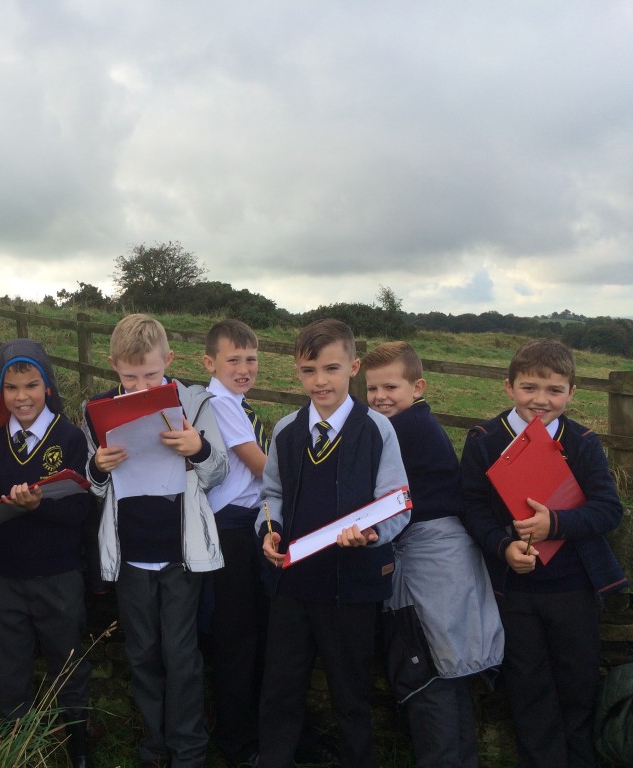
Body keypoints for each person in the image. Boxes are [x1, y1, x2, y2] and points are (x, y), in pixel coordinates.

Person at [460, 338, 628, 768]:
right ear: (509, 387)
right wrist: (503, 546)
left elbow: (608, 509)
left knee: (577, 688)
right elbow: (472, 508)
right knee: (528, 690)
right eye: (530, 387)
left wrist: (556, 523)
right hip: (514, 592)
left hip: (573, 590)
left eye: (554, 390)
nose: (541, 399)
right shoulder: (483, 439)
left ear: (572, 393)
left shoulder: (584, 442)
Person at [256, 318, 409, 768]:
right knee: (280, 689)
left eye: (330, 368)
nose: (319, 381)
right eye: (308, 370)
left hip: (352, 588)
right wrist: (268, 530)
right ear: (296, 371)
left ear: (354, 367)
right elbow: (272, 495)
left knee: (351, 693)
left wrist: (374, 534)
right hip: (293, 585)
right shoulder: (286, 430)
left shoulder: (377, 429)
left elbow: (397, 503)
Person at [83, 313, 228, 768]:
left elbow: (218, 470)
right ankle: (153, 747)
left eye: (151, 374)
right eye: (131, 377)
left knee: (181, 655)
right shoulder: (96, 409)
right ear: (113, 367)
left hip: (181, 555)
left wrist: (197, 449)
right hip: (129, 554)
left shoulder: (198, 403)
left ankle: (189, 752)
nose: (143, 385)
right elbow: (93, 485)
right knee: (141, 653)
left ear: (169, 359)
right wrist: (98, 467)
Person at [362, 341, 503, 768]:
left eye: (391, 387)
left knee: (428, 670)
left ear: (417, 386)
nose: (381, 397)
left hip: (428, 562)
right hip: (442, 559)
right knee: (448, 670)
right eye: (371, 389)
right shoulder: (417, 424)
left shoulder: (405, 430)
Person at [0, 338, 93, 768]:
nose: (22, 397)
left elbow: (80, 509)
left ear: (48, 387)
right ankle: (17, 748)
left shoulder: (70, 437)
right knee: (7, 669)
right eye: (11, 388)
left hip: (58, 573)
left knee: (67, 664)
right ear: (0, 391)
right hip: (4, 576)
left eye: (32, 386)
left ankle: (79, 747)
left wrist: (41, 504)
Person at [200, 319, 269, 767]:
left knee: (250, 634)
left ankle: (248, 732)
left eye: (251, 360)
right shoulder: (220, 404)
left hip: (245, 526)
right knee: (237, 638)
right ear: (210, 363)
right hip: (230, 530)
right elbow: (262, 467)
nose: (244, 368)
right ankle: (237, 740)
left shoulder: (236, 402)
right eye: (233, 360)